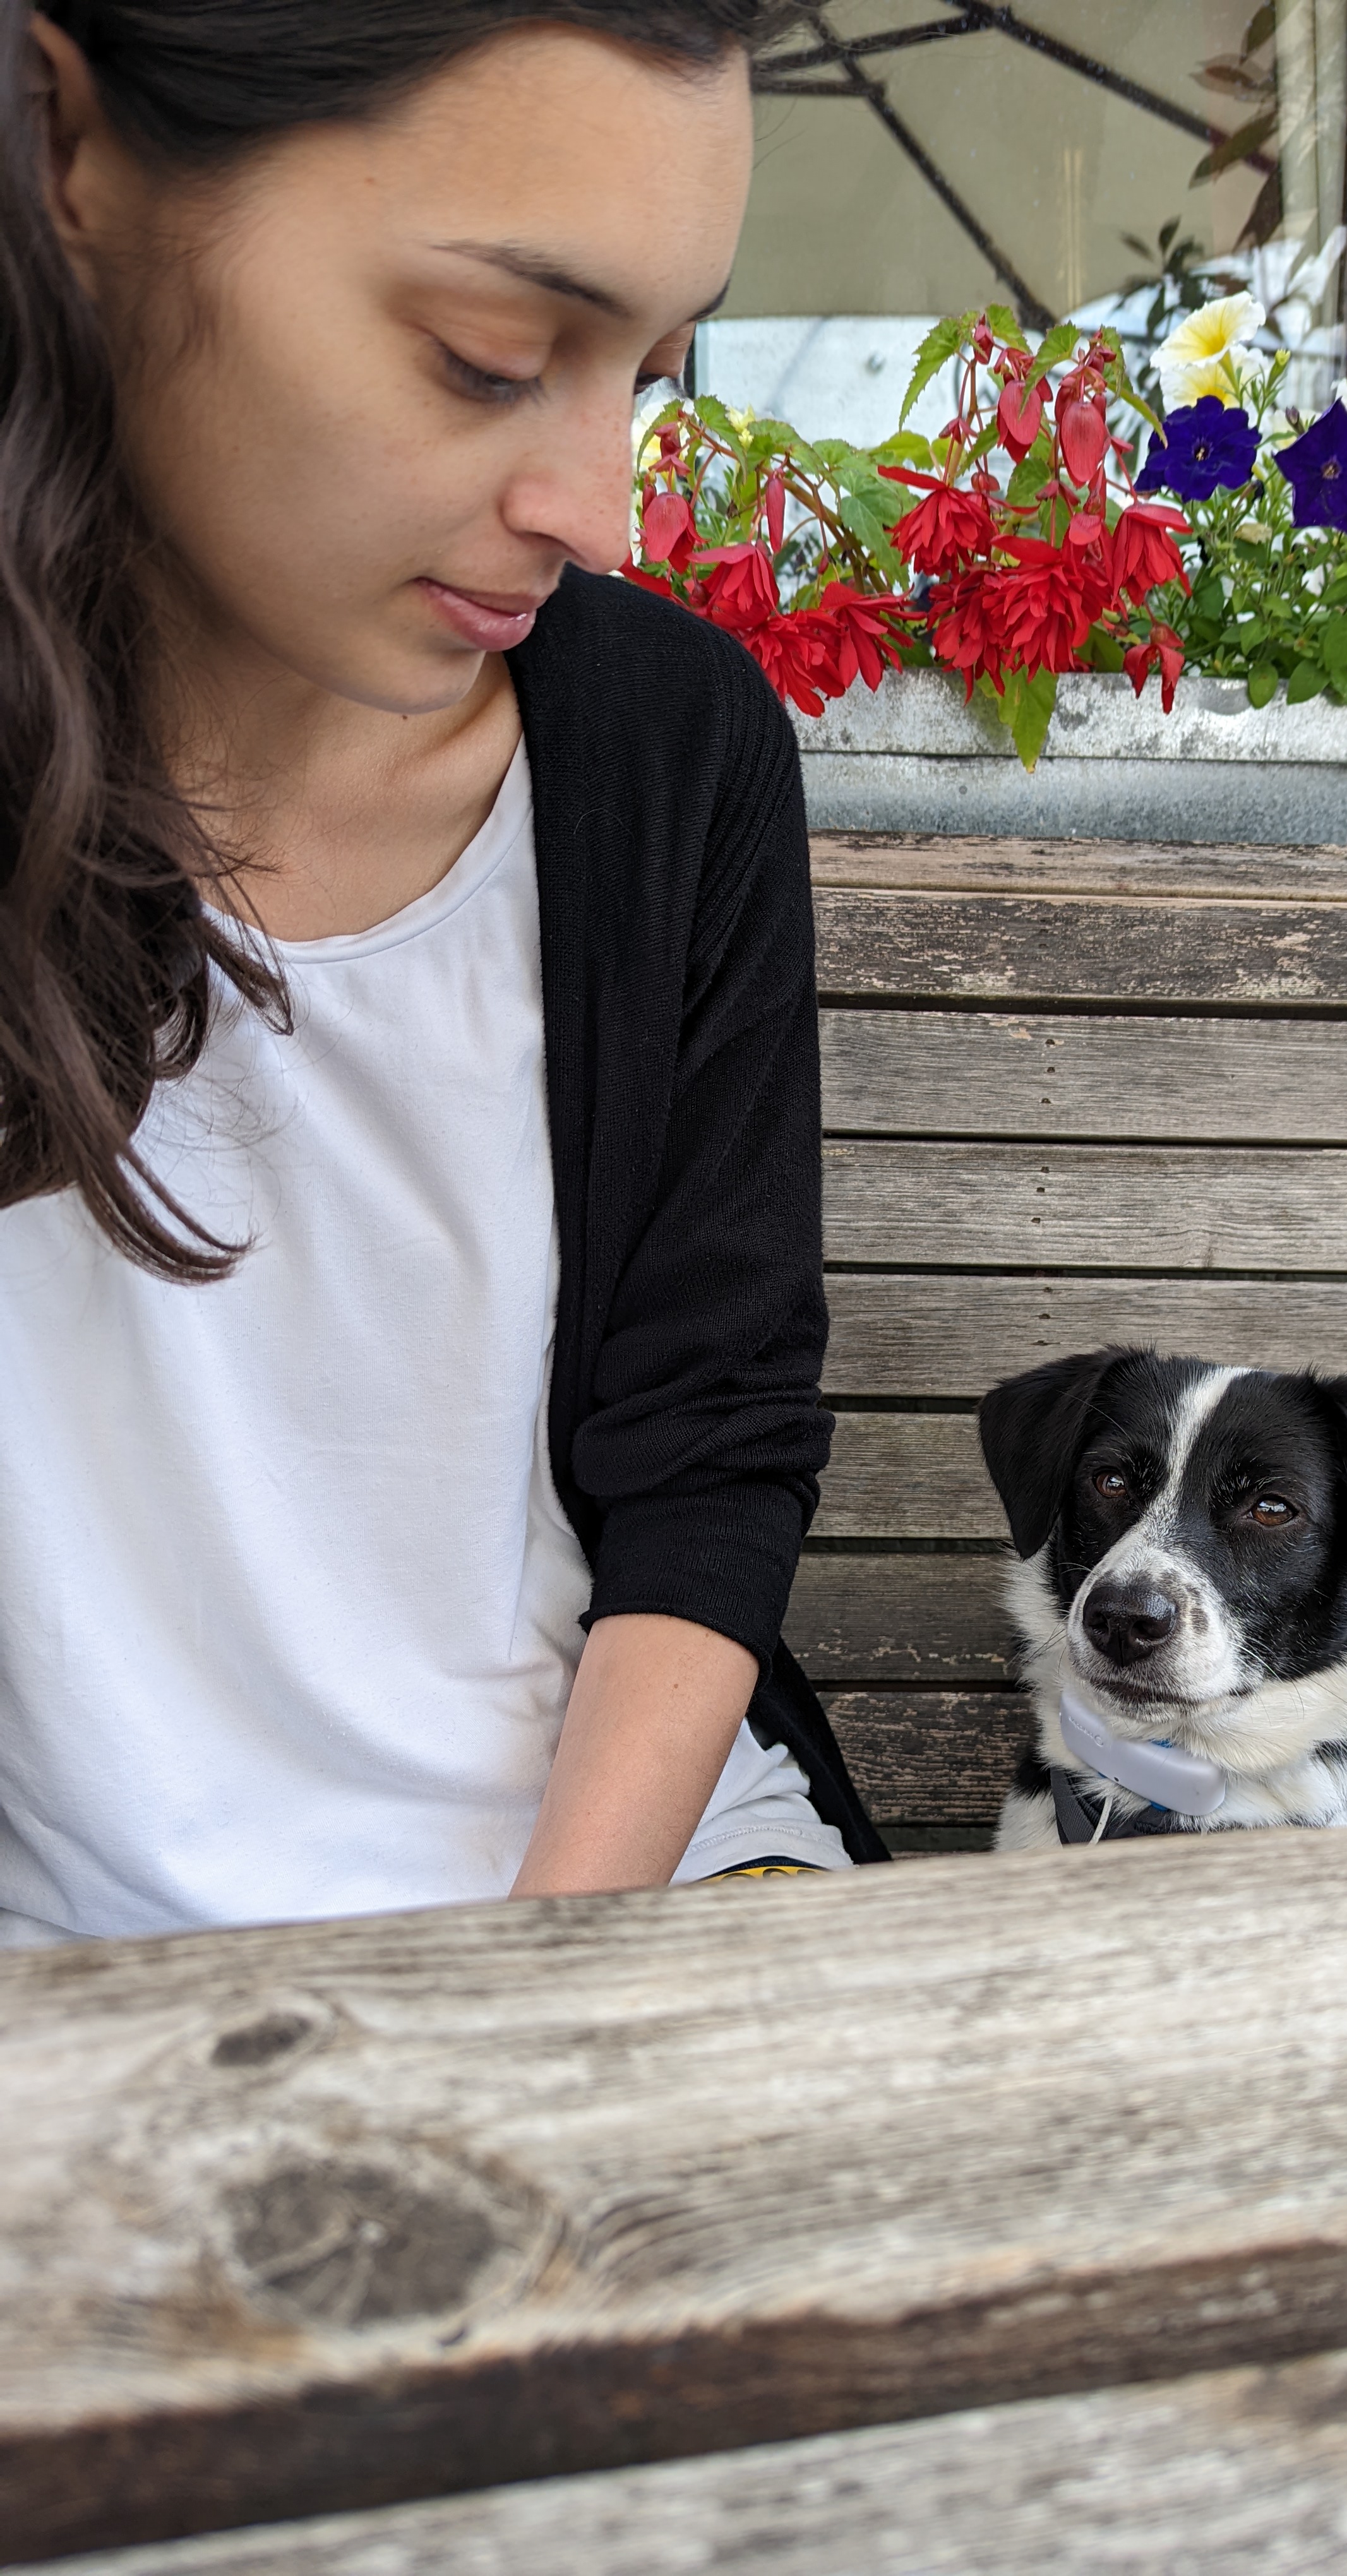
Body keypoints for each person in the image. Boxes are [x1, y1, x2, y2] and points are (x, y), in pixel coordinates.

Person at [0, 0, 886, 1948]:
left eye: (647, 373)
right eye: (492, 360)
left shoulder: (670, 752)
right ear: (77, 162)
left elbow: (712, 1443)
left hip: (622, 1888)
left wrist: (525, 1997)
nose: (603, 509)